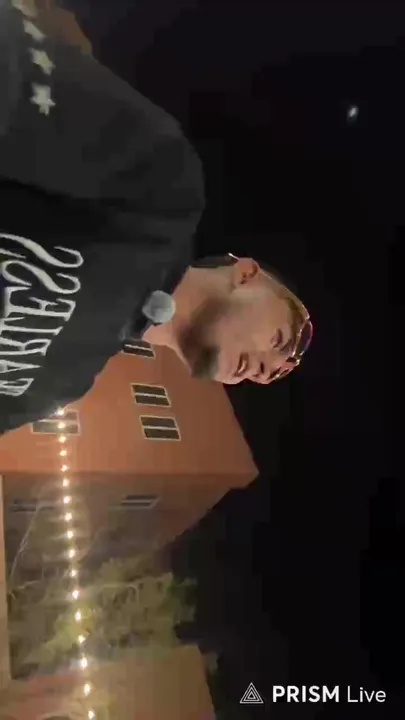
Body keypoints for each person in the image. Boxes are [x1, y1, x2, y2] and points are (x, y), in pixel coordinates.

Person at [0, 0, 312, 436]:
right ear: (245, 274)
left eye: (269, 377)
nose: (263, 372)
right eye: (278, 340)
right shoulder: (160, 192)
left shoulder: (60, 384)